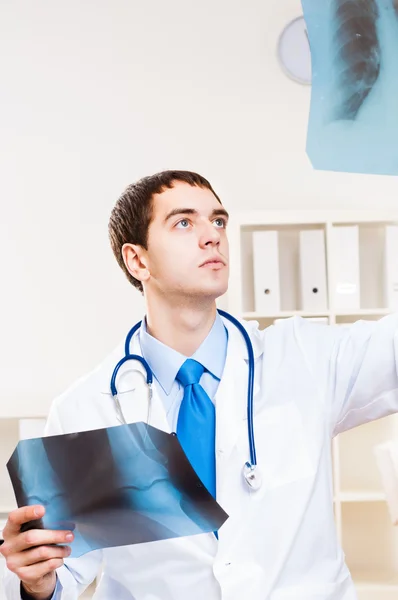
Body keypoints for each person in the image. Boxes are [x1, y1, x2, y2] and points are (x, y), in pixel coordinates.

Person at [2, 170, 398, 600]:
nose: (212, 236)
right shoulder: (86, 409)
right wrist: (35, 581)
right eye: (184, 223)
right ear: (138, 260)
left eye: (219, 221)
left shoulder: (306, 356)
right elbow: (64, 573)